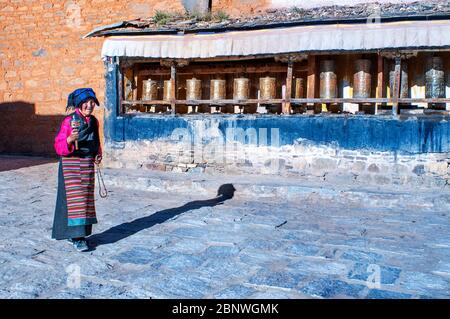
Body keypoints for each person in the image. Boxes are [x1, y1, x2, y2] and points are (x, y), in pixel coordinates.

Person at [52, 88, 102, 252]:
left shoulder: (93, 121)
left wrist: (97, 154)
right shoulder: (69, 121)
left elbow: (96, 140)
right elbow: (58, 145)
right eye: (87, 102)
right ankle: (76, 237)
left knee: (85, 200)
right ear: (79, 104)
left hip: (87, 164)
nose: (90, 105)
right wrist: (69, 139)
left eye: (92, 102)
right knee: (75, 201)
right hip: (71, 165)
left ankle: (80, 234)